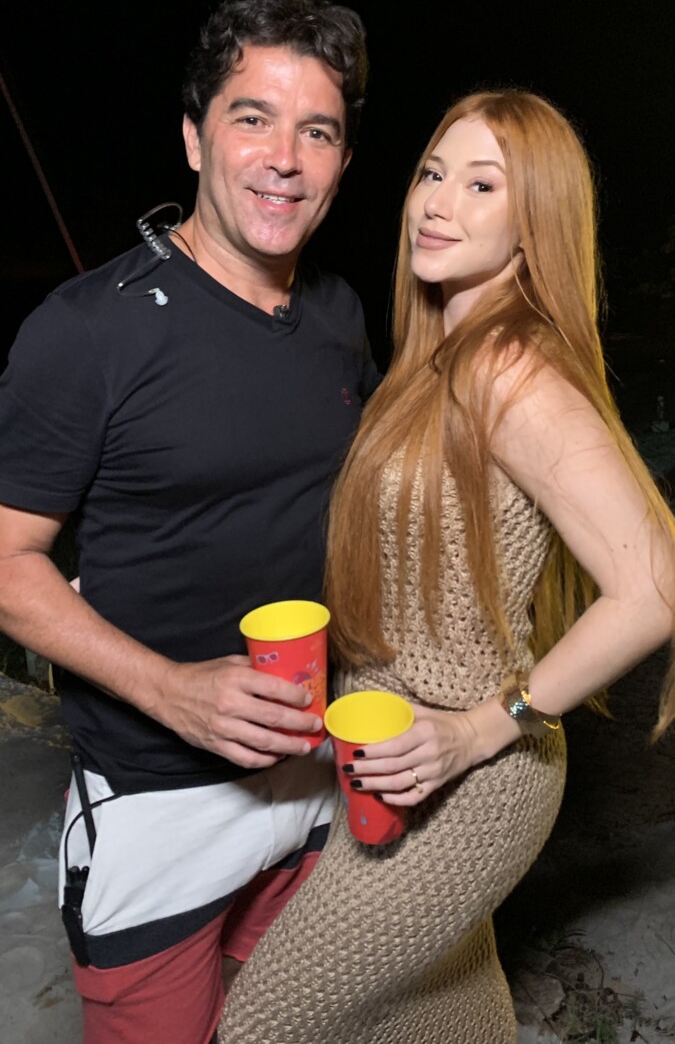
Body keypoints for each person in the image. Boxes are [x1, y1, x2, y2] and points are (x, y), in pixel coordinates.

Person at [217, 89, 675, 1043]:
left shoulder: (511, 372)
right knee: (438, 1005)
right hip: (386, 749)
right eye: (433, 173)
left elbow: (654, 586)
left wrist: (480, 729)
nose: (437, 202)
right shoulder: (436, 357)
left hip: (469, 775)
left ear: (532, 224)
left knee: (265, 1023)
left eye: (481, 185)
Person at [0, 0, 378, 1044]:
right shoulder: (86, 332)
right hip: (156, 796)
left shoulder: (340, 315)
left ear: (342, 162)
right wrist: (170, 690)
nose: (284, 158)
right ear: (193, 139)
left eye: (317, 132)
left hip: (315, 777)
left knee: (285, 1024)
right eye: (251, 118)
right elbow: (8, 560)